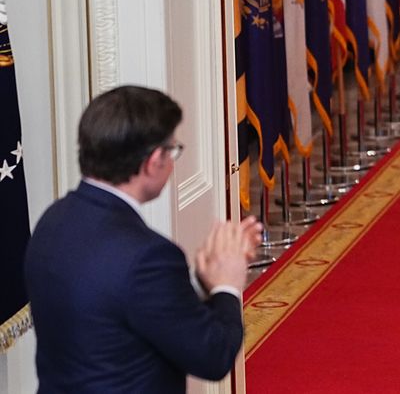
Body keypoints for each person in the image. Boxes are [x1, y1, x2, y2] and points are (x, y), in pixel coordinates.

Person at [25, 85, 263, 393]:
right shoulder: (149, 257)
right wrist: (227, 285)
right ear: (153, 161)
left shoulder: (53, 220)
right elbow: (213, 356)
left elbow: (120, 306)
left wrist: (201, 283)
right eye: (173, 151)